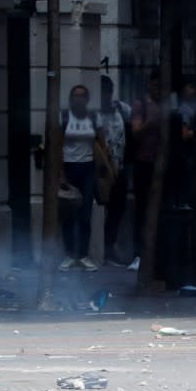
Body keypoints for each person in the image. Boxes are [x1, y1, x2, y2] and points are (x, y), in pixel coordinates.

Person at [59, 84, 107, 272]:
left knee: (85, 213)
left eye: (82, 96)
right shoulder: (64, 117)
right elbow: (57, 146)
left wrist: (103, 166)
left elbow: (102, 144)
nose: (78, 99)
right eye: (75, 96)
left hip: (87, 168)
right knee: (68, 213)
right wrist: (59, 174)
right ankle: (70, 254)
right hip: (69, 167)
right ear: (72, 99)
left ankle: (83, 255)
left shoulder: (94, 117)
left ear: (87, 100)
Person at [128, 68, 161, 272]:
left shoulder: (165, 105)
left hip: (161, 164)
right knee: (141, 211)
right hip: (144, 163)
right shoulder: (141, 105)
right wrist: (152, 120)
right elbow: (136, 131)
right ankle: (139, 254)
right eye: (156, 85)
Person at [99, 75, 132, 266]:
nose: (105, 96)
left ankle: (109, 246)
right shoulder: (93, 113)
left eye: (107, 92)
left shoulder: (121, 109)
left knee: (116, 209)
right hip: (102, 168)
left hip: (119, 166)